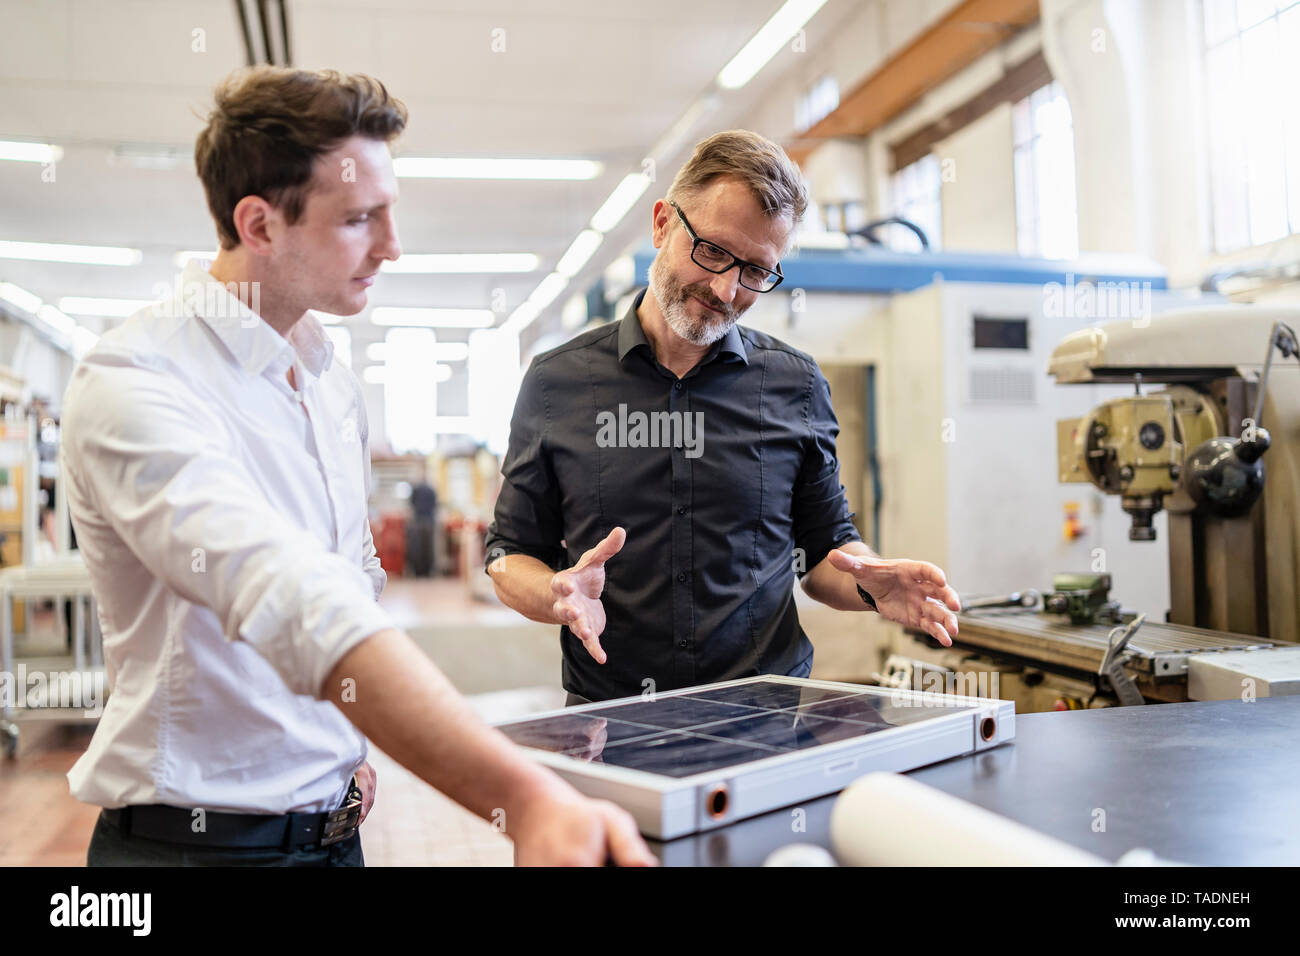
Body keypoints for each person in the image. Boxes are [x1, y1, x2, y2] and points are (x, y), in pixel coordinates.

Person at [59, 65, 653, 867]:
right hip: (196, 848)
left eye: (391, 212)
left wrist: (339, 751)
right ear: (260, 224)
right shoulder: (136, 378)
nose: (392, 246)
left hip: (336, 832)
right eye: (359, 219)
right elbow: (289, 598)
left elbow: (351, 579)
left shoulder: (328, 382)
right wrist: (523, 797)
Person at [485, 130, 962, 705]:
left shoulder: (796, 384)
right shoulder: (556, 382)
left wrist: (869, 579)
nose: (725, 288)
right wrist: (556, 592)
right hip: (616, 717)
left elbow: (824, 551)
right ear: (663, 224)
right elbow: (509, 551)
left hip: (765, 715)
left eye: (757, 271)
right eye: (712, 250)